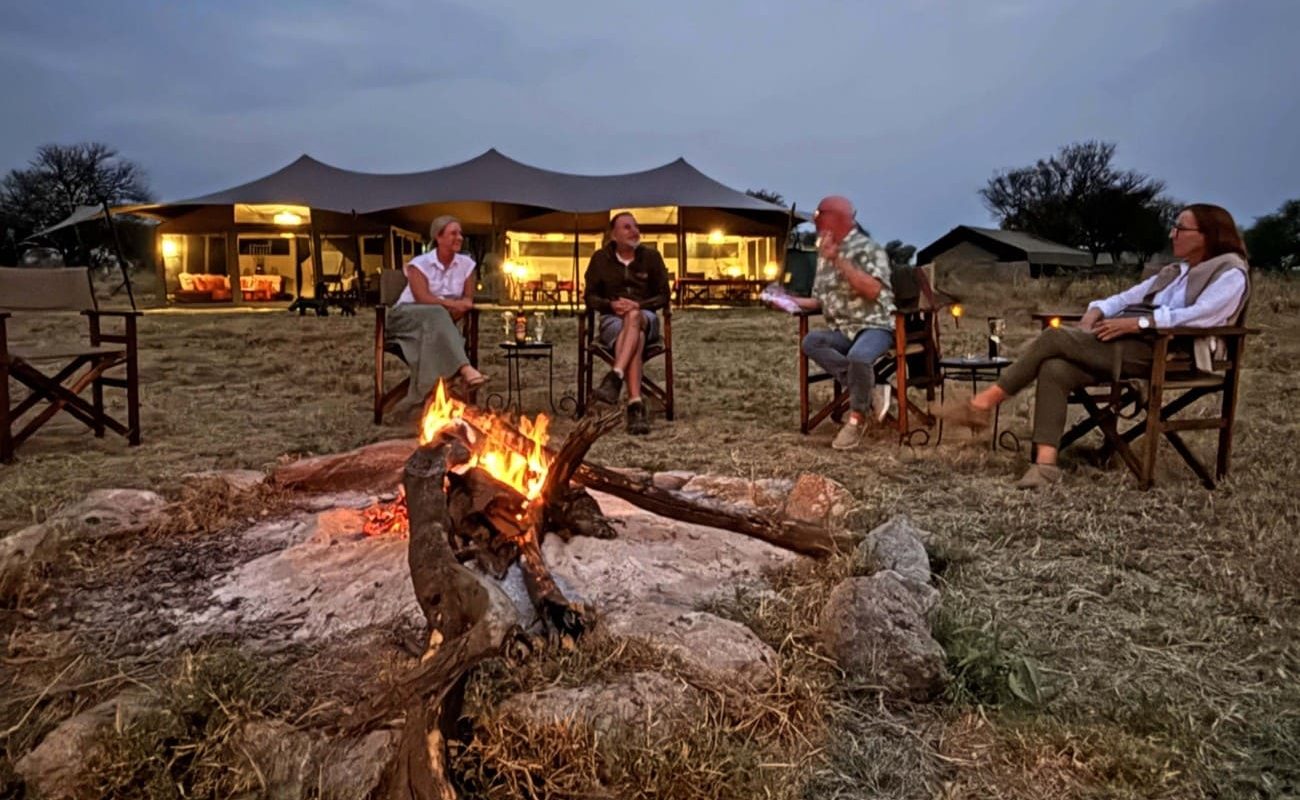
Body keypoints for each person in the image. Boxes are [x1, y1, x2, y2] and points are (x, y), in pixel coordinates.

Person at [940, 203, 1250, 488]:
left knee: (1053, 337)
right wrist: (1095, 311)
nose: (1173, 234)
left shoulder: (1230, 273)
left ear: (1208, 235)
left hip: (1167, 352)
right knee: (1055, 367)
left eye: (1180, 228)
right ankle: (1045, 466)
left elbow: (1200, 316)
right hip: (1126, 343)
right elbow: (1123, 299)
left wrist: (1138, 323)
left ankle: (984, 403)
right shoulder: (1176, 272)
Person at [785, 195, 897, 450]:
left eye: (819, 214)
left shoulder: (869, 250)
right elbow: (819, 302)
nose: (814, 220)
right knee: (811, 341)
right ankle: (872, 387)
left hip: (875, 326)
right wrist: (786, 300)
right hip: (843, 330)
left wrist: (838, 260)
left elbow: (873, 291)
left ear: (838, 218)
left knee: (859, 357)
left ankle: (857, 419)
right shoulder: (823, 254)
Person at [387, 215, 488, 409]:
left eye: (460, 233)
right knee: (436, 312)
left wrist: (459, 307)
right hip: (406, 317)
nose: (459, 237)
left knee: (438, 320)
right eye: (453, 233)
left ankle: (426, 396)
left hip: (439, 323)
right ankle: (465, 369)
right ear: (438, 238)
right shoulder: (419, 264)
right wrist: (451, 305)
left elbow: (468, 300)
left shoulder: (467, 265)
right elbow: (423, 298)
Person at [584, 211, 671, 435]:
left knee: (634, 318)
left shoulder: (651, 257)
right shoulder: (600, 259)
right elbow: (590, 297)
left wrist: (638, 305)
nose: (634, 231)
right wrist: (611, 305)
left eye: (635, 226)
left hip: (646, 317)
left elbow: (664, 295)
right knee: (636, 338)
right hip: (612, 320)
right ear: (613, 235)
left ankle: (616, 376)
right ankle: (635, 404)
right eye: (627, 227)